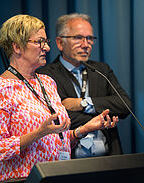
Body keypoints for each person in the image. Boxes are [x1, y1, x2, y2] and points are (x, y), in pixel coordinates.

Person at [0, 14, 119, 182]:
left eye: (46, 42)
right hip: (24, 179)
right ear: (17, 47)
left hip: (59, 176)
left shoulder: (47, 82)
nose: (46, 48)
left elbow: (56, 139)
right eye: (39, 42)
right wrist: (38, 133)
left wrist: (84, 129)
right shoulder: (0, 89)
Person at [37, 13, 132, 158]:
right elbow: (57, 118)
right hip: (70, 161)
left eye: (89, 38)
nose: (85, 44)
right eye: (78, 38)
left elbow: (124, 105)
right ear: (60, 43)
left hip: (108, 159)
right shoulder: (46, 75)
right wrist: (102, 118)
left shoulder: (101, 70)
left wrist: (84, 103)